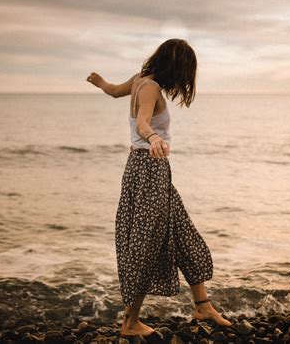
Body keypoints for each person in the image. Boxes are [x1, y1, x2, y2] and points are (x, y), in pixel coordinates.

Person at [86, 38, 232, 338]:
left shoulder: (140, 80)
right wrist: (153, 138)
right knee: (146, 242)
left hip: (142, 169)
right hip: (149, 168)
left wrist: (99, 81)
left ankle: (202, 304)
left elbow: (114, 91)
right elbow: (141, 121)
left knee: (181, 230)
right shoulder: (151, 87)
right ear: (176, 67)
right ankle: (130, 322)